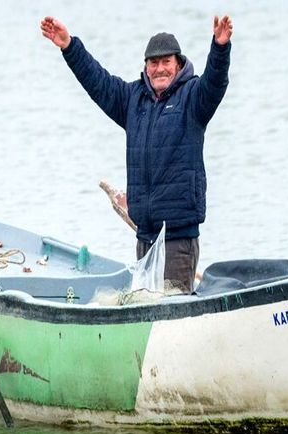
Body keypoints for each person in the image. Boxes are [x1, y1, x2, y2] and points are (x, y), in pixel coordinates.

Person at [40, 15, 233, 293]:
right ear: (146, 67)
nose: (160, 68)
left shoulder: (193, 98)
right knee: (148, 307)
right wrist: (69, 46)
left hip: (178, 240)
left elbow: (215, 82)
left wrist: (220, 47)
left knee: (174, 311)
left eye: (166, 61)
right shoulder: (133, 100)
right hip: (145, 237)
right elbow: (98, 82)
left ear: (178, 65)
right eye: (154, 63)